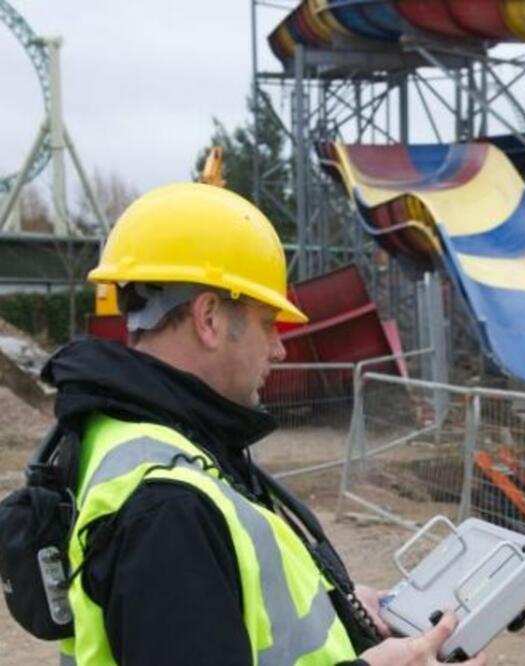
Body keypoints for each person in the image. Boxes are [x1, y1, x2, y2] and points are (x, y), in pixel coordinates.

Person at [41, 183, 486, 666]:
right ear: (209, 318)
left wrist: (342, 603)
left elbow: (227, 595)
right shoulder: (168, 507)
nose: (279, 348)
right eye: (268, 323)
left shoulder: (128, 433)